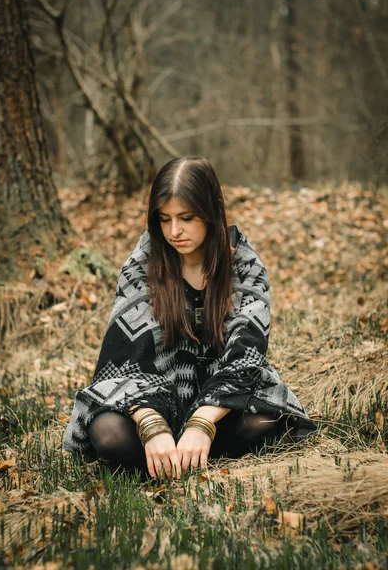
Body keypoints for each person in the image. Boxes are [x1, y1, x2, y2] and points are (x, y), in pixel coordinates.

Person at [63, 156, 317, 479]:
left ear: (210, 213)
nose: (174, 231)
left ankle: (180, 457)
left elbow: (247, 356)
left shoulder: (244, 266)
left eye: (185, 217)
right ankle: (179, 457)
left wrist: (202, 421)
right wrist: (151, 423)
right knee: (107, 433)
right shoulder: (141, 265)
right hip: (153, 400)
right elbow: (123, 362)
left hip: (222, 408)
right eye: (165, 219)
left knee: (268, 421)